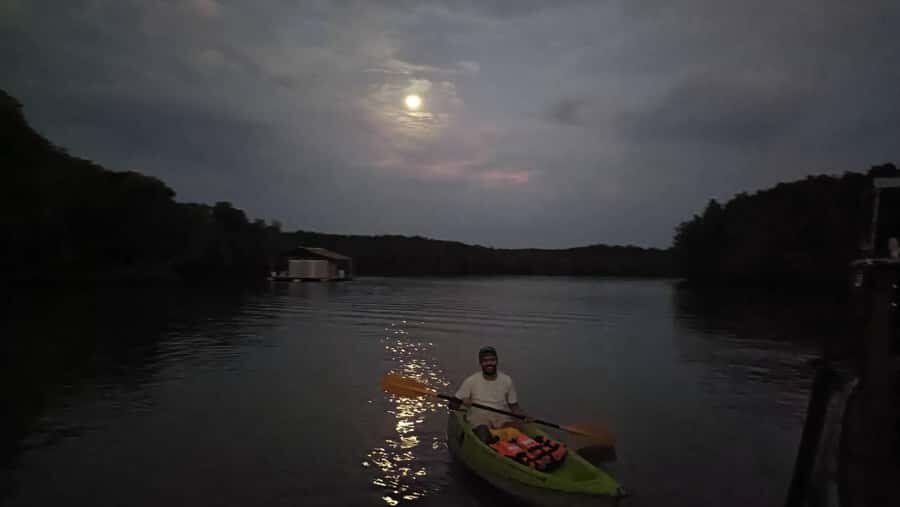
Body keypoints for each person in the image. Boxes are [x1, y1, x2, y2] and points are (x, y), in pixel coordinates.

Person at [449, 346, 530, 441]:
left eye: (492, 360)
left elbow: (514, 406)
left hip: (501, 416)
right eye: (485, 361)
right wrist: (462, 402)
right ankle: (490, 442)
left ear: (497, 361)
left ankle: (507, 445)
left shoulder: (507, 380)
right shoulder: (471, 381)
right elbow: (452, 405)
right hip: (479, 417)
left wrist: (524, 416)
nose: (489, 363)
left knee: (514, 430)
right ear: (481, 363)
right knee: (483, 433)